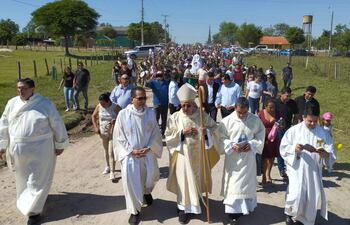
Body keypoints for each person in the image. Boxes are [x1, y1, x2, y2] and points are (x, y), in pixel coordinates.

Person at [0, 78, 69, 225]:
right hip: (18, 148)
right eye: (18, 88)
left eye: (24, 88)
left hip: (40, 148)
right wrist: (2, 144)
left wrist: (60, 143)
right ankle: (28, 200)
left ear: (32, 88)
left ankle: (34, 212)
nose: (21, 91)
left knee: (38, 178)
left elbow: (56, 122)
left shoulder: (44, 104)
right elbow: (4, 123)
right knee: (22, 178)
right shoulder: (12, 103)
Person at [165, 83, 220, 224]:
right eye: (183, 105)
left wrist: (205, 133)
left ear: (193, 104)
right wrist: (182, 133)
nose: (185, 108)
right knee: (184, 181)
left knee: (197, 179)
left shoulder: (202, 116)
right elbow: (168, 136)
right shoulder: (175, 117)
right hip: (183, 156)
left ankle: (195, 204)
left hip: (199, 156)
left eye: (188, 105)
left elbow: (214, 129)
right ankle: (183, 209)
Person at [113, 86, 163, 225]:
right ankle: (134, 211)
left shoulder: (150, 113)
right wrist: (131, 150)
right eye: (139, 98)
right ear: (132, 99)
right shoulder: (123, 114)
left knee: (151, 177)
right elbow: (119, 136)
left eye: (144, 98)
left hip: (147, 153)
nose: (142, 101)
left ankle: (146, 192)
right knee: (132, 183)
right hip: (131, 156)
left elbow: (155, 133)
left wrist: (149, 148)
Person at [280, 103, 336, 225]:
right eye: (310, 121)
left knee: (311, 195)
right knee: (296, 194)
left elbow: (331, 151)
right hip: (297, 168)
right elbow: (283, 147)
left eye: (315, 121)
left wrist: (325, 154)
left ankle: (306, 219)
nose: (312, 124)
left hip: (313, 170)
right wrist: (295, 148)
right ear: (304, 117)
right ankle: (290, 214)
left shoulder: (323, 133)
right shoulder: (294, 131)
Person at [218, 97, 265, 224]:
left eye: (245, 112)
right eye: (239, 112)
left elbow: (260, 135)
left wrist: (251, 144)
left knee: (245, 184)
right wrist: (231, 145)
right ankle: (232, 212)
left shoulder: (255, 120)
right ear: (235, 108)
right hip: (233, 160)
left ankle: (245, 208)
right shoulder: (226, 121)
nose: (242, 115)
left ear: (248, 109)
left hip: (248, 159)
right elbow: (220, 138)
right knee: (234, 185)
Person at [91, 93, 121, 180]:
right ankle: (108, 166)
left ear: (108, 101)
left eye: (104, 103)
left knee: (111, 152)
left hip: (113, 133)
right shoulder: (99, 106)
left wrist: (115, 121)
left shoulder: (115, 107)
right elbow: (93, 116)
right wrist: (96, 127)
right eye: (101, 103)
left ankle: (112, 172)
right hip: (103, 132)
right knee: (106, 149)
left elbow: (123, 116)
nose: (102, 105)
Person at [275, 87, 299, 179]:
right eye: (286, 96)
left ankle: (289, 167)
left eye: (289, 96)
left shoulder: (292, 103)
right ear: (281, 94)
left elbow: (296, 115)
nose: (288, 98)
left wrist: (294, 126)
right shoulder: (276, 102)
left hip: (289, 129)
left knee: (290, 149)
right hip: (278, 128)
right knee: (281, 148)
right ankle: (282, 169)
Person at [258, 99, 281, 185]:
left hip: (274, 138)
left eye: (273, 107)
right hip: (264, 137)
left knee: (272, 157)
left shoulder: (278, 113)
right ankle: (264, 176)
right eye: (270, 107)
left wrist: (280, 125)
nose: (272, 109)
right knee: (265, 158)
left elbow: (282, 123)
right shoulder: (260, 114)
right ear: (265, 106)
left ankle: (268, 174)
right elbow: (256, 125)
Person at [145, 71, 170, 136]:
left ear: (163, 75)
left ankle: (163, 133)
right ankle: (155, 133)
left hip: (165, 104)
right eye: (157, 75)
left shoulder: (167, 83)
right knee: (156, 119)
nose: (159, 76)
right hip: (156, 104)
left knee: (164, 120)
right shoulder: (153, 83)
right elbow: (146, 85)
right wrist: (151, 78)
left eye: (160, 75)